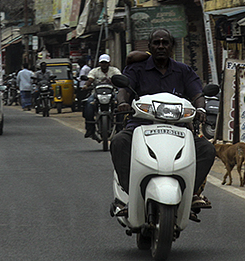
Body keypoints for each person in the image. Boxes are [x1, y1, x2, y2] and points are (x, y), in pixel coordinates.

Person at [110, 28, 215, 213]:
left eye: (165, 43)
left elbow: (197, 92)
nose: (161, 46)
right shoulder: (137, 69)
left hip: (178, 128)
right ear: (150, 46)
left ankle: (191, 194)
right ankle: (128, 195)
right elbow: (123, 90)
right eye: (156, 43)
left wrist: (200, 108)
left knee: (207, 149)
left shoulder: (183, 71)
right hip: (141, 126)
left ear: (172, 47)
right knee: (119, 142)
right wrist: (122, 103)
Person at [83, 54, 121, 139]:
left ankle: (120, 127)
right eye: (102, 63)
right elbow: (90, 79)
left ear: (109, 63)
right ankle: (90, 128)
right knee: (89, 103)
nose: (104, 64)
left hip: (112, 93)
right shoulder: (94, 71)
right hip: (96, 93)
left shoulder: (114, 70)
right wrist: (86, 85)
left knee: (120, 104)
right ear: (99, 63)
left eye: (105, 62)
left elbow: (119, 78)